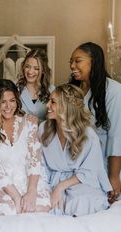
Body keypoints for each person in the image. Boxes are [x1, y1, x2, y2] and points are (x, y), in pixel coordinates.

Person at [0, 79, 51, 215]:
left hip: (30, 182)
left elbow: (35, 159)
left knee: (42, 207)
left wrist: (31, 192)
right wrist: (17, 198)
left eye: (12, 100)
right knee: (9, 211)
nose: (8, 106)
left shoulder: (29, 122)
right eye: (3, 102)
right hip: (4, 186)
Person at [39, 84, 112, 216]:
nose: (47, 105)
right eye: (49, 100)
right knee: (43, 206)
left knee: (82, 203)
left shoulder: (88, 135)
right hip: (51, 181)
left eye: (53, 102)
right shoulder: (43, 129)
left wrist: (60, 187)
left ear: (66, 107)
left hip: (80, 182)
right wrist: (47, 188)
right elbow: (41, 165)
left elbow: (89, 171)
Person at [69, 42, 121, 203]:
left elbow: (116, 137)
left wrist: (113, 176)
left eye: (78, 61)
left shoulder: (113, 90)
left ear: (94, 61)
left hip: (103, 166)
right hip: (76, 164)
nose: (72, 66)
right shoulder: (72, 90)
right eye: (71, 61)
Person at [17, 49, 55, 122]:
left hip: (45, 132)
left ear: (43, 70)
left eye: (36, 68)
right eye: (27, 66)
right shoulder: (15, 89)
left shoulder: (51, 90)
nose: (30, 72)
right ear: (23, 67)